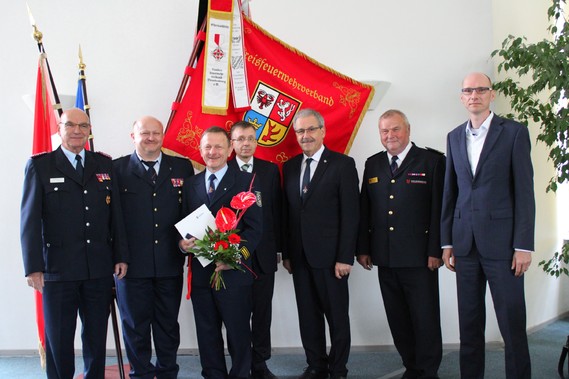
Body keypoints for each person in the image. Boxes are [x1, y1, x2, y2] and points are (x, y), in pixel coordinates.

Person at [20, 108, 129, 379]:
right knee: (59, 338)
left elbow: (116, 216)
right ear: (60, 128)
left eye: (83, 125)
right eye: (70, 125)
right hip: (58, 270)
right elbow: (30, 221)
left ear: (89, 129)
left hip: (98, 269)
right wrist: (33, 267)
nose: (77, 131)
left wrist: (120, 255)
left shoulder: (104, 164)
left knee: (95, 336)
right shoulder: (40, 165)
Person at [441, 72, 535, 379]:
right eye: (468, 90)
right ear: (462, 97)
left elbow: (524, 192)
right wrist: (447, 242)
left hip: (503, 247)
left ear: (491, 94)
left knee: (511, 324)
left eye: (481, 89)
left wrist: (523, 245)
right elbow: (450, 192)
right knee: (469, 325)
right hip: (464, 245)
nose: (474, 95)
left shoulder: (514, 133)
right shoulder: (454, 136)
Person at [357, 109, 445, 379]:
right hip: (386, 257)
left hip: (420, 258)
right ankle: (412, 366)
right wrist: (363, 248)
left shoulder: (431, 161)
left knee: (425, 318)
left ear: (408, 131)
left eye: (395, 129)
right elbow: (365, 209)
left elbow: (439, 210)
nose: (390, 135)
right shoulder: (373, 164)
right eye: (384, 131)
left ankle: (428, 371)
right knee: (398, 319)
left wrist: (436, 251)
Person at [113, 116, 194, 379]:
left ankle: (168, 372)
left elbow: (189, 213)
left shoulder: (182, 168)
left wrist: (188, 243)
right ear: (133, 136)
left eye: (156, 133)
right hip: (131, 266)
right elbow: (113, 220)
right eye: (144, 133)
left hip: (170, 261)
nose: (150, 138)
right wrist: (118, 256)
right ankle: (141, 374)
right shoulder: (117, 169)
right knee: (135, 327)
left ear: (163, 136)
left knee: (168, 325)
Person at [179, 126, 263, 379]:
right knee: (206, 332)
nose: (212, 152)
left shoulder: (245, 182)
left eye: (218, 147)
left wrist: (233, 257)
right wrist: (182, 245)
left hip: (233, 274)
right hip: (202, 273)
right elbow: (181, 225)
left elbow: (256, 229)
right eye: (207, 147)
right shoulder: (191, 183)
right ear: (200, 150)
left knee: (238, 333)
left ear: (229, 149)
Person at [282, 109, 359, 379]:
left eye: (311, 129)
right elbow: (289, 214)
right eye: (300, 131)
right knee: (308, 316)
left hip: (331, 259)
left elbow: (351, 215)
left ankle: (338, 368)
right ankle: (316, 365)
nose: (306, 136)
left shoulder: (342, 164)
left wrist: (345, 257)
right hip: (300, 258)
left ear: (323, 131)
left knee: (337, 317)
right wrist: (288, 253)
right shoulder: (290, 167)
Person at [228, 121, 282, 379]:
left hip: (263, 256)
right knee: (237, 315)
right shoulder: (222, 169)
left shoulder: (270, 171)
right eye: (240, 139)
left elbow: (277, 214)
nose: (246, 143)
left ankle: (260, 364)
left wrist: (281, 251)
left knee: (262, 314)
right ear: (232, 143)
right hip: (233, 257)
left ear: (256, 142)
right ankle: (240, 364)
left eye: (250, 138)